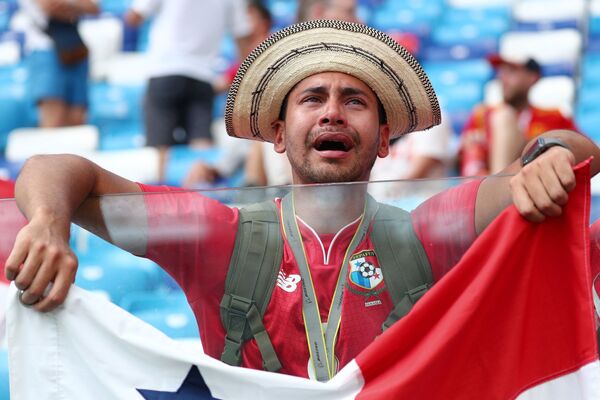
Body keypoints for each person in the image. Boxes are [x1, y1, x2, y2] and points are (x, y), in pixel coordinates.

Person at [6, 21, 600, 381]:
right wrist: (50, 225)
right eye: (312, 98)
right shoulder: (218, 237)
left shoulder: (427, 233)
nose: (333, 111)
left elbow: (571, 154)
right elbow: (53, 168)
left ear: (386, 139)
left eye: (355, 101)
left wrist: (548, 153)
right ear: (277, 133)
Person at [124, 0, 251, 182]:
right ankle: (202, 197)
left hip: (165, 70)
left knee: (161, 146)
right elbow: (243, 39)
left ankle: (162, 202)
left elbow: (133, 17)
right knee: (201, 141)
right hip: (203, 75)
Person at [459, 55, 579, 177]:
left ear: (533, 77)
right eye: (501, 72)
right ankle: (497, 187)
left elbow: (585, 155)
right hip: (483, 188)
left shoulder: (555, 117)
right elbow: (459, 162)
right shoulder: (481, 115)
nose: (503, 79)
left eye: (511, 71)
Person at [18, 0, 99, 127]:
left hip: (73, 50)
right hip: (44, 51)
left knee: (77, 121)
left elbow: (94, 8)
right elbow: (50, 6)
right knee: (53, 122)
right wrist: (76, 6)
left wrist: (68, 6)